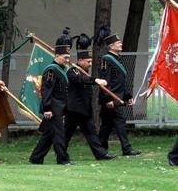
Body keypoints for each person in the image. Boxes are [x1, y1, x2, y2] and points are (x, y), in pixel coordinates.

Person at [64, 34, 117, 161]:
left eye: (91, 61)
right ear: (80, 61)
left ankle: (101, 154)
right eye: (88, 61)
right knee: (66, 134)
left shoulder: (84, 71)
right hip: (74, 109)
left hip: (85, 110)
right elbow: (81, 79)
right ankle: (61, 153)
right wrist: (96, 80)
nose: (90, 63)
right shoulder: (73, 71)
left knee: (91, 132)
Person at [95, 27, 140, 156]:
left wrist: (127, 96)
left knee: (107, 125)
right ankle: (126, 149)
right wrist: (108, 99)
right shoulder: (106, 60)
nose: (121, 44)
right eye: (118, 43)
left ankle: (100, 148)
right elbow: (105, 81)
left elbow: (120, 81)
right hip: (111, 98)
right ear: (111, 46)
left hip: (117, 97)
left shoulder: (116, 59)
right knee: (121, 122)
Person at [29, 36, 74, 165]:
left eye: (68, 57)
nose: (67, 60)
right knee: (59, 134)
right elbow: (46, 91)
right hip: (54, 108)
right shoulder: (51, 70)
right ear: (57, 56)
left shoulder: (62, 69)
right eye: (65, 57)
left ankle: (36, 157)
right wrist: (47, 108)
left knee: (48, 135)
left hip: (60, 106)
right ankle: (63, 159)